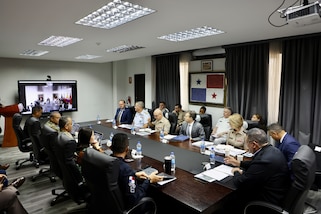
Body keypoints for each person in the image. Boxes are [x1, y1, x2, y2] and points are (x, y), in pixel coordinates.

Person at [223, 128, 290, 214]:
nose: (246, 146)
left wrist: (236, 172)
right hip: (277, 190)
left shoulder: (264, 160)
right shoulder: (271, 150)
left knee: (229, 200)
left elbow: (241, 183)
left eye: (247, 143)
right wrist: (239, 163)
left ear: (254, 144)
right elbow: (255, 163)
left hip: (267, 201)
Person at [110, 133, 163, 209]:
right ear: (127, 149)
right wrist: (149, 180)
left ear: (111, 147)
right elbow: (134, 198)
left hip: (110, 205)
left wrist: (134, 174)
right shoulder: (126, 170)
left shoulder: (107, 161)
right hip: (128, 207)